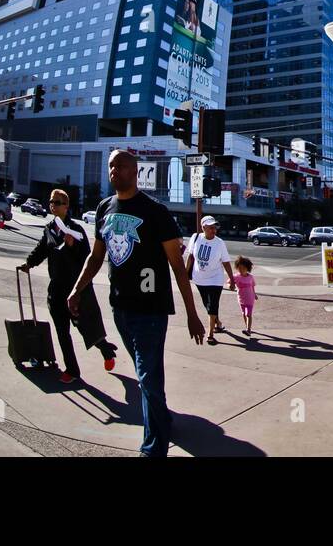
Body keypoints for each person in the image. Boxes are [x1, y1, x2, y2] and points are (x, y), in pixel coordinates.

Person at [68, 149, 204, 457]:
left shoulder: (156, 211)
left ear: (136, 172)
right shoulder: (104, 207)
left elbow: (177, 266)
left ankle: (153, 448)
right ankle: (163, 419)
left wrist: (193, 314)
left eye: (122, 166)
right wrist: (77, 290)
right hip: (120, 308)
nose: (115, 170)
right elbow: (96, 256)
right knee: (149, 376)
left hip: (151, 311)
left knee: (146, 376)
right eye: (111, 166)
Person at [18, 189, 116, 384]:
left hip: (75, 291)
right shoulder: (49, 229)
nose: (53, 204)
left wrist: (72, 246)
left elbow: (89, 257)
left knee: (85, 328)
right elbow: (41, 250)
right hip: (56, 290)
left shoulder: (76, 229)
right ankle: (72, 370)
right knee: (63, 332)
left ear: (66, 206)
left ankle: (105, 349)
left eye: (57, 202)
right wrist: (29, 264)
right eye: (51, 201)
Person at [184, 215, 235, 344]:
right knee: (207, 304)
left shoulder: (219, 243)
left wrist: (232, 279)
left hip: (215, 279)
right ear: (203, 227)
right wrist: (185, 274)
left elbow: (226, 262)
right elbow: (190, 256)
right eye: (211, 227)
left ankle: (210, 334)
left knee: (213, 304)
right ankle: (217, 322)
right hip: (199, 279)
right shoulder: (196, 238)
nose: (214, 230)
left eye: (215, 227)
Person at [231, 255, 258, 335]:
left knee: (248, 314)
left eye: (243, 268)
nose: (241, 270)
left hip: (250, 298)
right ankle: (247, 327)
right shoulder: (236, 276)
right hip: (241, 299)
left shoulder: (251, 277)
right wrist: (230, 285)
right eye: (239, 268)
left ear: (248, 268)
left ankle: (248, 329)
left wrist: (255, 294)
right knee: (243, 314)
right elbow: (230, 282)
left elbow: (252, 286)